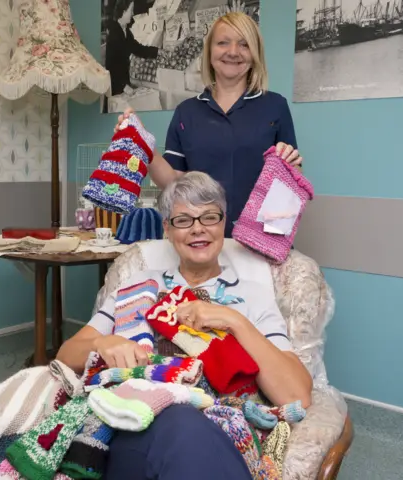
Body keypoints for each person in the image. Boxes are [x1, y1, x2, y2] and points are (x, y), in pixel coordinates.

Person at [57, 172, 312, 480]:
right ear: (167, 229)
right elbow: (66, 354)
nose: (198, 230)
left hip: (212, 425)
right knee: (177, 424)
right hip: (133, 423)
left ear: (223, 223)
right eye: (183, 220)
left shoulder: (252, 296)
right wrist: (101, 344)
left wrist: (234, 321)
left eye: (209, 217)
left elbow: (296, 394)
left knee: (185, 425)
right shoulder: (140, 285)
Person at [115, 11, 303, 237]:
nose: (233, 52)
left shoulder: (275, 106)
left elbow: (291, 179)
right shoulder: (187, 112)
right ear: (210, 51)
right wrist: (144, 146)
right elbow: (173, 181)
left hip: (262, 244)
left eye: (244, 44)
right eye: (223, 43)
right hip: (201, 243)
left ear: (255, 53)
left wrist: (293, 167)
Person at [104, 0, 159, 97]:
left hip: (124, 83)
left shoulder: (126, 32)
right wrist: (123, 85)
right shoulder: (114, 34)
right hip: (116, 86)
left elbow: (138, 49)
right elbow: (111, 66)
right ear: (124, 12)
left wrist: (158, 51)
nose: (132, 13)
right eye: (131, 10)